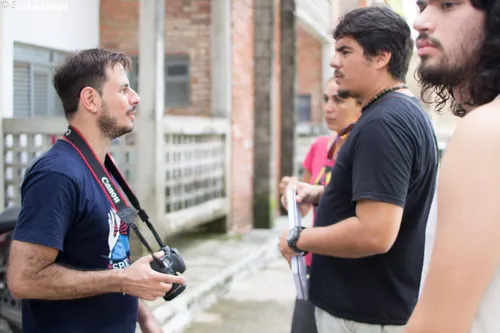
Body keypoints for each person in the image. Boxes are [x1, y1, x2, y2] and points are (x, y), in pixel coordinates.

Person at [278, 5, 438, 333]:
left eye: (345, 51)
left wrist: (298, 237)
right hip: (368, 309)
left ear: (381, 56)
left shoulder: (384, 123)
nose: (334, 61)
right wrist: (323, 194)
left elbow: (375, 233)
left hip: (362, 316)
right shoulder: (398, 112)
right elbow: (389, 197)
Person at [6, 48, 185, 333]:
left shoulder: (101, 166)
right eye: (124, 89)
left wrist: (145, 317)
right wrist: (123, 280)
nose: (135, 97)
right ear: (90, 99)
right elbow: (23, 280)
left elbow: (108, 261)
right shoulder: (57, 174)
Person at [404, 1, 500, 332]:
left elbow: (438, 325)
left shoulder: (487, 130)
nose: (421, 22)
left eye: (447, 4)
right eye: (421, 6)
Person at [279, 77, 362, 333]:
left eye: (339, 99)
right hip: (314, 263)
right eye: (326, 99)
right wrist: (291, 193)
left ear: (362, 104)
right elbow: (304, 207)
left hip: (352, 267)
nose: (328, 107)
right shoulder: (319, 147)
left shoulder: (366, 152)